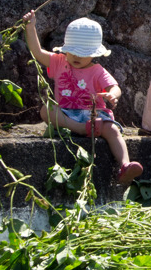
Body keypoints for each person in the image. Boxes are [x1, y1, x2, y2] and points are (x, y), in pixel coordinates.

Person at [23, 13, 144, 186]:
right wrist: (31, 27)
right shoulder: (59, 62)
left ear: (95, 54)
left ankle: (125, 165)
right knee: (46, 109)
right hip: (66, 115)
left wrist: (112, 95)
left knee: (112, 130)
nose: (76, 57)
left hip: (93, 116)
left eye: (83, 53)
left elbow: (114, 87)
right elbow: (37, 52)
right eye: (72, 52)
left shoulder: (97, 70)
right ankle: (79, 128)